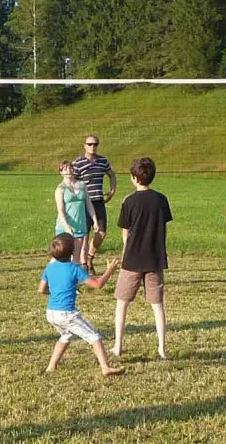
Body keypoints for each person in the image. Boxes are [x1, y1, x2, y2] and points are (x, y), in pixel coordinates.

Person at [112, 157, 173, 360]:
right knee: (157, 305)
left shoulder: (128, 201)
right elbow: (163, 227)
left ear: (134, 178)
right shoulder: (161, 200)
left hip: (132, 259)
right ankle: (162, 347)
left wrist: (126, 250)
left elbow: (125, 233)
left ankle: (118, 345)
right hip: (155, 259)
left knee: (122, 303)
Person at [38, 233, 123, 376]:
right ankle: (105, 368)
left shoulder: (49, 268)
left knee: (65, 336)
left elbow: (41, 290)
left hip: (51, 313)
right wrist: (110, 270)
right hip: (67, 314)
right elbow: (98, 284)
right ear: (72, 252)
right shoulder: (74, 268)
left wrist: (56, 293)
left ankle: (51, 367)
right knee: (94, 337)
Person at [71, 134, 116, 274]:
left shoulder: (103, 161)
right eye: (89, 144)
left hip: (98, 202)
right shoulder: (78, 163)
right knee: (85, 235)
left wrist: (112, 190)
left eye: (95, 144)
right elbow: (71, 181)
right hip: (83, 203)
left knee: (101, 232)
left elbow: (112, 174)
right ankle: (84, 265)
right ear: (84, 145)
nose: (93, 146)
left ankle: (90, 257)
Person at [55, 160, 99, 265]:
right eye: (65, 169)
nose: (68, 170)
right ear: (61, 172)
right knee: (61, 256)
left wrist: (95, 220)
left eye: (70, 168)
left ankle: (73, 279)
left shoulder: (82, 185)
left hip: (80, 225)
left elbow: (89, 204)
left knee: (76, 256)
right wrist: (66, 226)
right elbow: (60, 210)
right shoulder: (60, 189)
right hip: (65, 227)